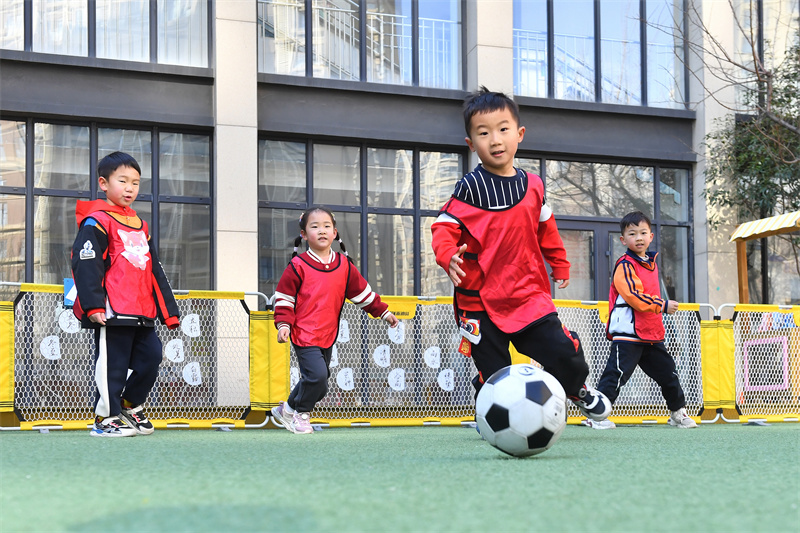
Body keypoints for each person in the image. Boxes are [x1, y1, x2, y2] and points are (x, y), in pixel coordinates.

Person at [431, 86, 611, 421]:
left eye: (503, 130)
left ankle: (576, 388)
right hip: (478, 301)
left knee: (563, 351)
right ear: (471, 144)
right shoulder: (469, 188)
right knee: (495, 372)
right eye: (483, 133)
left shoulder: (534, 186)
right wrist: (446, 256)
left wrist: (559, 262)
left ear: (520, 134)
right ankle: (491, 407)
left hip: (526, 293)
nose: (495, 140)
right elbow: (443, 229)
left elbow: (546, 227)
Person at [71, 151, 180, 437]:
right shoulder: (96, 222)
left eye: (135, 182)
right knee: (113, 367)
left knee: (152, 357)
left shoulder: (141, 227)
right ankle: (105, 419)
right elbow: (86, 264)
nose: (130, 188)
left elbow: (155, 270)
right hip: (112, 311)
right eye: (123, 181)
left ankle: (130, 404)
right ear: (104, 183)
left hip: (143, 311)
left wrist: (168, 311)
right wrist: (94, 304)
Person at [271, 207, 399, 434]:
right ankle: (301, 415)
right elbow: (284, 299)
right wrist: (283, 324)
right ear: (303, 235)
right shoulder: (297, 266)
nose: (321, 231)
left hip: (327, 334)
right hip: (303, 334)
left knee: (319, 383)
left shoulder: (344, 266)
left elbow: (363, 294)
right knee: (317, 377)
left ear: (335, 233)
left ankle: (287, 408)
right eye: (315, 226)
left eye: (326, 226)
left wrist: (384, 313)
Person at [584, 211, 697, 429]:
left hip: (652, 333)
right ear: (623, 240)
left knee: (669, 374)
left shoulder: (651, 263)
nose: (639, 238)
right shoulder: (624, 265)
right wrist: (663, 305)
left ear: (651, 236)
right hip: (628, 334)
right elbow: (633, 297)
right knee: (615, 376)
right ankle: (595, 416)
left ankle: (677, 413)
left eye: (643, 233)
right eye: (632, 233)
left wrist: (659, 311)